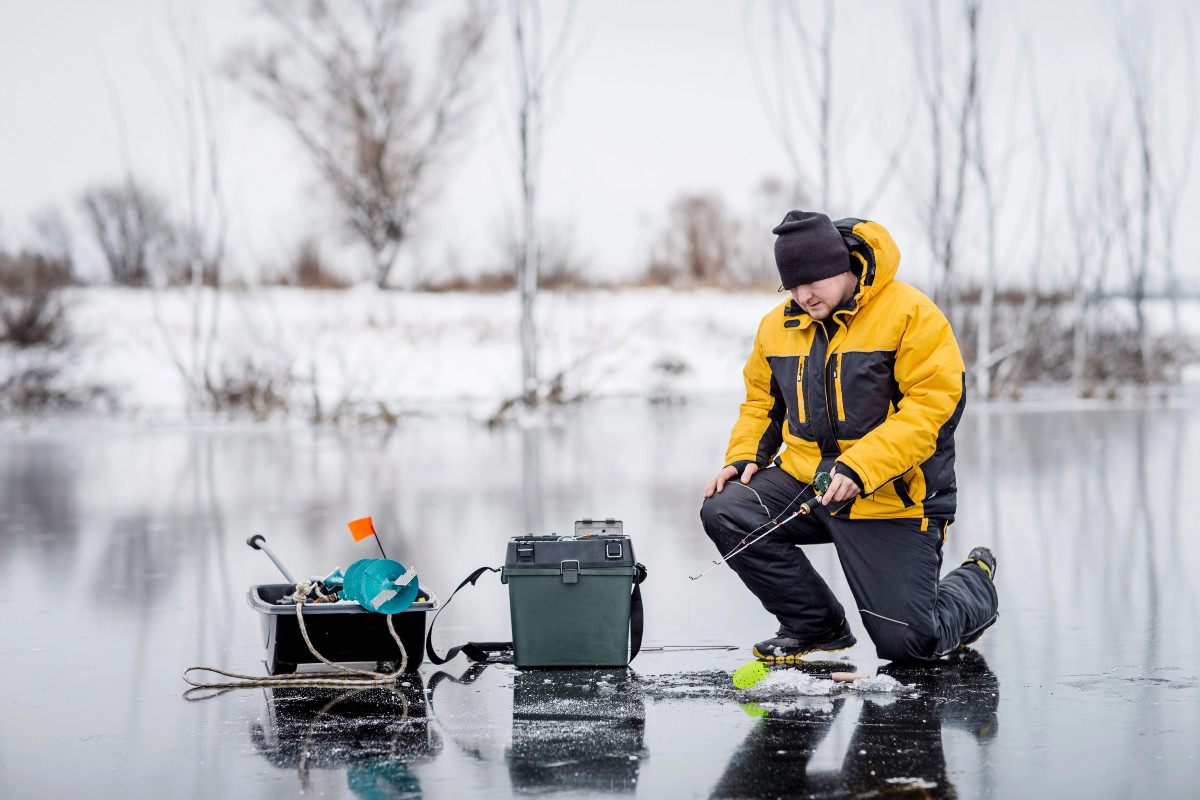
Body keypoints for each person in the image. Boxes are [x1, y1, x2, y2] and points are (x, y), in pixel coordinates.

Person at [700, 210, 998, 664]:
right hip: (809, 484)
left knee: (911, 646)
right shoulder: (776, 326)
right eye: (792, 286)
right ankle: (815, 626)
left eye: (813, 281)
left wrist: (862, 466)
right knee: (727, 508)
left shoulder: (911, 314)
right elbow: (762, 401)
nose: (803, 295)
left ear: (844, 265)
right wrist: (744, 455)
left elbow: (933, 408)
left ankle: (975, 583)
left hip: (893, 495)